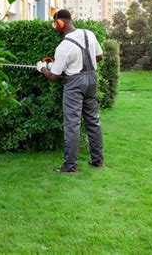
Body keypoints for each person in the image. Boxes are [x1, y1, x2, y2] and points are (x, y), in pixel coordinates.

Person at [36, 9, 104, 173]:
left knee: (72, 124)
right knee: (93, 120)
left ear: (60, 23)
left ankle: (70, 165)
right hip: (92, 80)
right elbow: (99, 57)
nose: (55, 27)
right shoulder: (89, 34)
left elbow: (53, 76)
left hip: (75, 83)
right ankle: (98, 160)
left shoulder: (63, 46)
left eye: (55, 24)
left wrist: (42, 68)